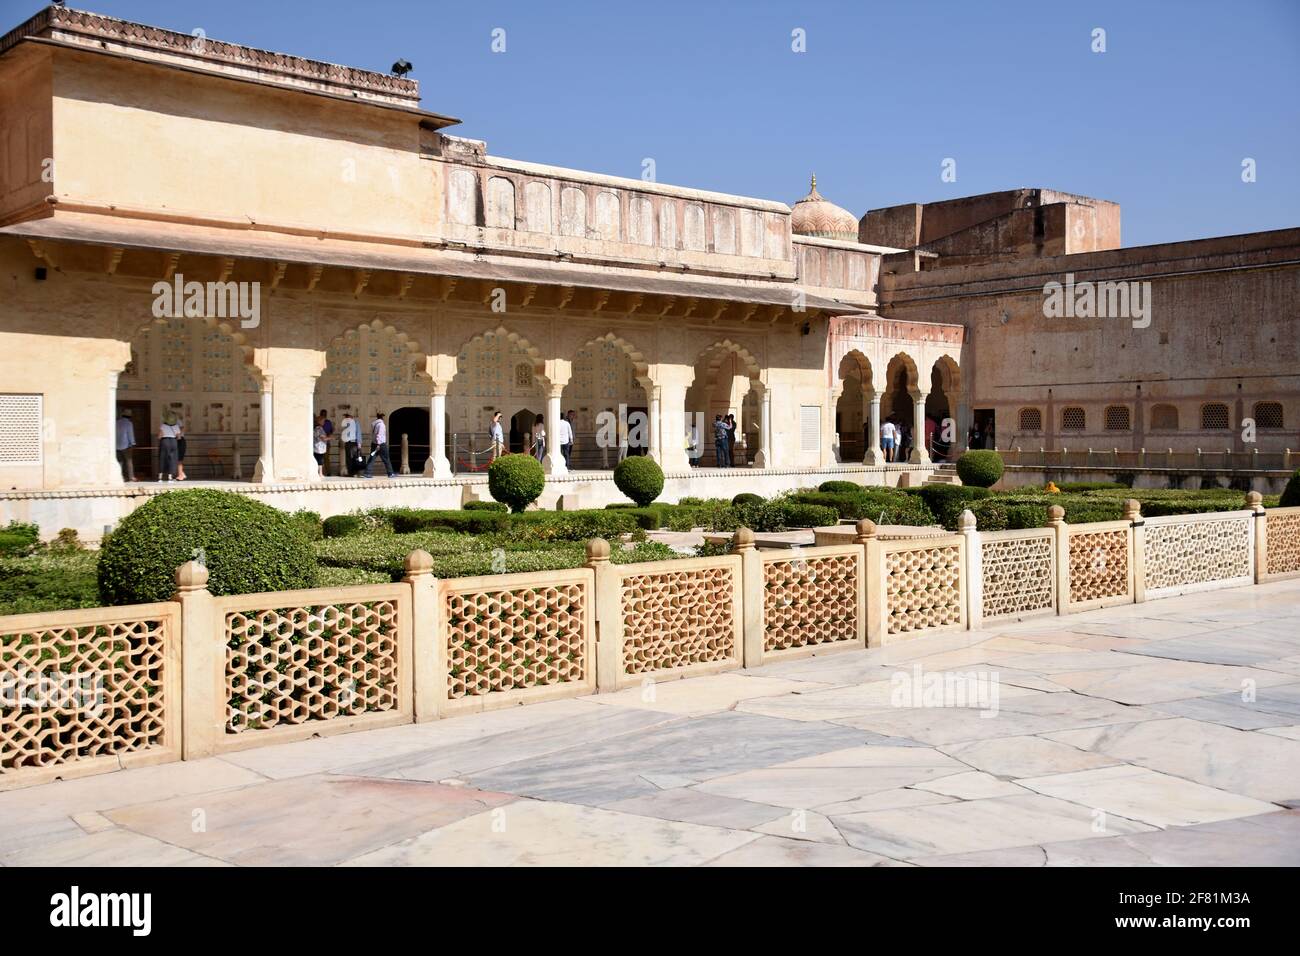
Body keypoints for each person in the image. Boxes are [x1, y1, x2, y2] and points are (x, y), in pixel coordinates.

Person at [362, 411, 394, 479]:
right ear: (382, 417)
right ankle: (390, 473)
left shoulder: (374, 424)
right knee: (386, 459)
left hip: (374, 443)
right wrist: (379, 444)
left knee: (372, 458)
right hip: (381, 445)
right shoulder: (381, 425)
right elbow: (379, 435)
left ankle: (367, 473)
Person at [158, 410, 180, 481]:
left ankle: (160, 476)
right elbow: (179, 437)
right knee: (172, 459)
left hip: (165, 441)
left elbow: (159, 436)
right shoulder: (176, 426)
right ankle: (170, 476)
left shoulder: (163, 426)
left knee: (162, 458)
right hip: (173, 442)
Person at [115, 409, 136, 481]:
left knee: (119, 462)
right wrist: (133, 443)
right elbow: (130, 434)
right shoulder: (129, 423)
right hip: (126, 445)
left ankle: (120, 476)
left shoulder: (116, 422)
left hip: (116, 445)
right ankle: (131, 477)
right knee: (129, 461)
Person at [341, 412, 360, 476]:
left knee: (354, 457)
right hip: (347, 443)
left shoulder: (355, 423)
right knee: (348, 458)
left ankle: (355, 472)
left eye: (347, 416)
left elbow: (358, 433)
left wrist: (359, 443)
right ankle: (350, 472)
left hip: (353, 442)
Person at [313, 412, 328, 477]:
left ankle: (320, 473)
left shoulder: (317, 428)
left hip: (317, 447)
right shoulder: (319, 428)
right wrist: (331, 437)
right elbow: (323, 438)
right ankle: (320, 473)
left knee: (319, 460)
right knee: (320, 460)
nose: (324, 422)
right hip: (319, 448)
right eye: (323, 421)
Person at [173, 412, 187, 480]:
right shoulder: (170, 423)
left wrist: (178, 435)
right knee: (176, 458)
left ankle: (180, 475)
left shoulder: (177, 421)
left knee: (179, 458)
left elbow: (182, 428)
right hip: (175, 440)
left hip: (180, 440)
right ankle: (181, 473)